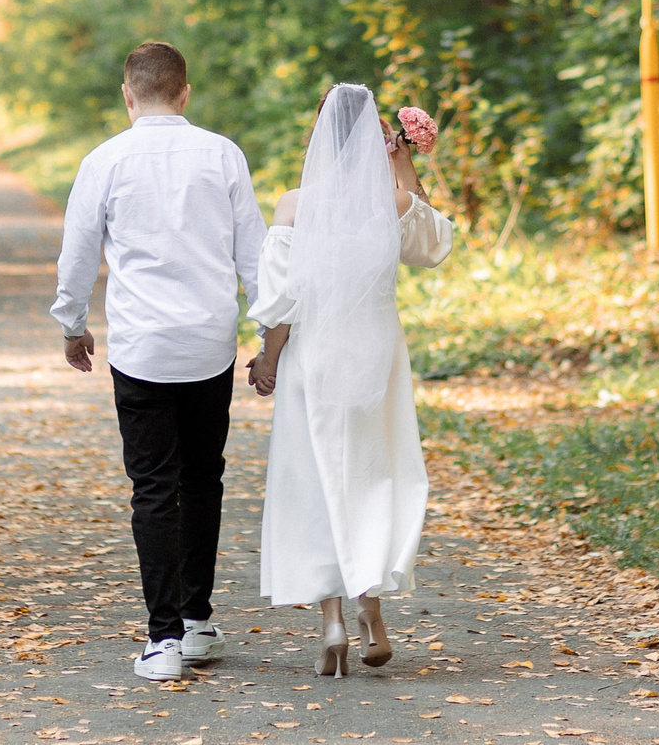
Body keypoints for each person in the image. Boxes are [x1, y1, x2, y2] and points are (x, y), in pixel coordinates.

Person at [53, 41, 267, 681]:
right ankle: (197, 622)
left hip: (143, 346)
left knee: (153, 486)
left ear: (128, 96)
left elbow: (78, 250)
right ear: (184, 93)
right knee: (204, 479)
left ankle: (163, 638)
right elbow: (253, 254)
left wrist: (72, 324)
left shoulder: (105, 161)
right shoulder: (222, 154)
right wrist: (268, 333)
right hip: (209, 344)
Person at [246, 83, 454, 676]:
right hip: (378, 354)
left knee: (314, 477)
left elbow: (284, 302)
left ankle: (332, 620)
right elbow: (432, 244)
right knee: (370, 473)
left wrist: (267, 359)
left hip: (315, 355)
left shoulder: (294, 206)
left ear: (317, 139)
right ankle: (374, 613)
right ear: (374, 140)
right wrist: (404, 161)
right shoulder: (389, 203)